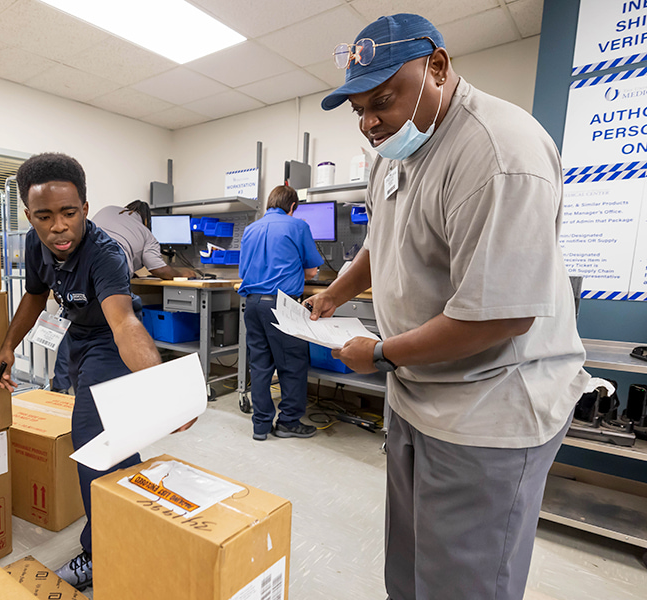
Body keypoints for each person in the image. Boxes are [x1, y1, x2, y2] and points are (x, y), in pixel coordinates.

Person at [308, 14, 589, 600]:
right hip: (419, 392)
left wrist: (379, 351)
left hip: (489, 405)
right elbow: (380, 237)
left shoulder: (499, 152)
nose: (369, 123)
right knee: (410, 571)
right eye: (359, 109)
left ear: (436, 66)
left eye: (382, 100)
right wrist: (338, 291)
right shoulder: (394, 148)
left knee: (463, 582)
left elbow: (501, 315)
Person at [0, 153, 194, 592]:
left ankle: (101, 553)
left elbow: (125, 324)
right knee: (116, 437)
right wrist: (8, 346)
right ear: (29, 216)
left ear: (85, 206)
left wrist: (163, 391)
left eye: (68, 213)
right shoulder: (34, 242)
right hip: (75, 334)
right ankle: (136, 518)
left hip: (108, 337)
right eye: (44, 216)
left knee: (94, 433)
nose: (58, 227)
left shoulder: (104, 255)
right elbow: (34, 296)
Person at [51, 200, 195, 392]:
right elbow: (160, 269)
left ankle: (59, 389)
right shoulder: (145, 233)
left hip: (72, 274)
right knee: (126, 323)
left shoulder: (107, 209)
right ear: (146, 220)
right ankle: (128, 386)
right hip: (106, 277)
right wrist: (183, 273)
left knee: (72, 329)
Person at [238, 185, 323, 441]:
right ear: (293, 206)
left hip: (252, 303)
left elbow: (243, 272)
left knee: (261, 365)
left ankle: (261, 426)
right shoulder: (298, 226)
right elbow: (311, 271)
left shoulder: (251, 229)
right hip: (281, 303)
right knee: (292, 364)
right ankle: (288, 422)